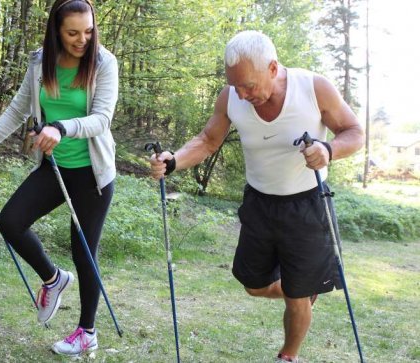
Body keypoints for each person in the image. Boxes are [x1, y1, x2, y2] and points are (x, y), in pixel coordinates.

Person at [149, 30, 364, 362]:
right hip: (259, 203)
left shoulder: (313, 87)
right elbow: (208, 140)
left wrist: (328, 149)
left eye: (249, 85)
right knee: (254, 284)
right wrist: (173, 160)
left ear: (273, 68)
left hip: (308, 204)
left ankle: (288, 354)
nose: (243, 93)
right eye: (236, 85)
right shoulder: (231, 97)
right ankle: (302, 293)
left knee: (296, 294)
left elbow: (354, 132)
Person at [0, 0, 118, 356]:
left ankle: (87, 331)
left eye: (89, 31)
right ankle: (53, 279)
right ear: (56, 31)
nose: (82, 40)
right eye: (73, 32)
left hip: (92, 173)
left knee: (84, 251)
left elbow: (102, 119)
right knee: (11, 221)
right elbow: (17, 109)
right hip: (53, 168)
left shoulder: (104, 62)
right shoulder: (40, 61)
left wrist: (61, 127)